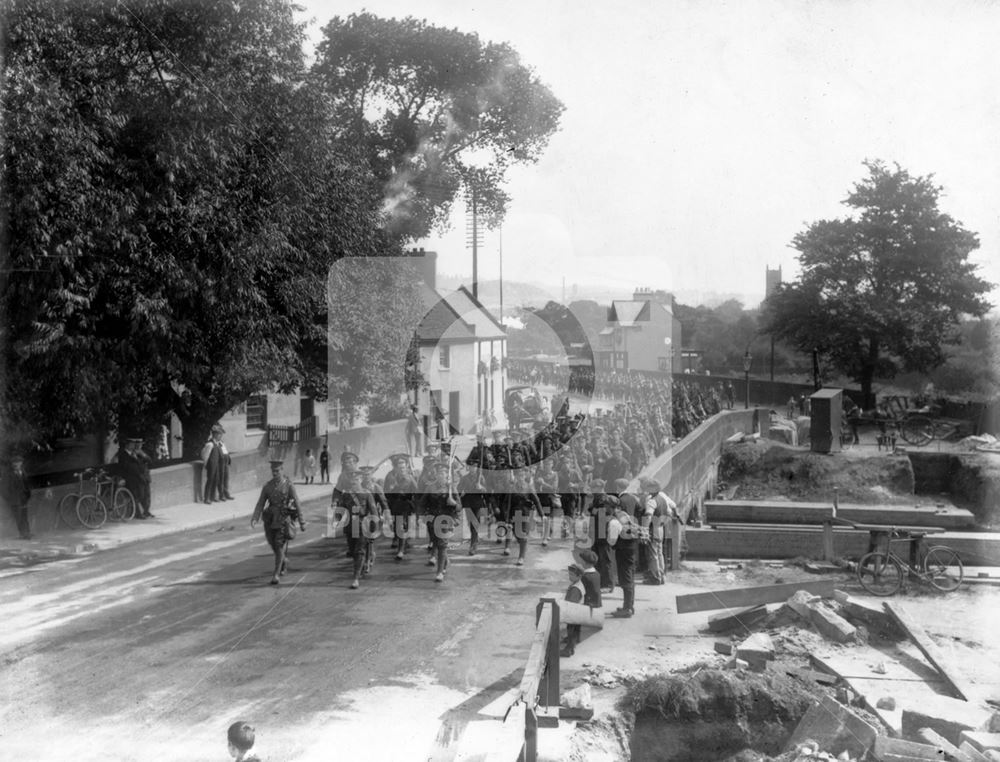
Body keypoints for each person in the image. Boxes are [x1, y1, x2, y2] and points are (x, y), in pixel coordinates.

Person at [251, 460, 306, 585]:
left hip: (282, 519)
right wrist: (255, 517)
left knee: (279, 544)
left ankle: (276, 574)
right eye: (273, 471)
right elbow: (260, 503)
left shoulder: (288, 485)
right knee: (272, 543)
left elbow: (297, 502)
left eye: (277, 471)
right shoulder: (267, 486)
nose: (275, 473)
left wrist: (302, 521)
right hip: (270, 520)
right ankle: (283, 560)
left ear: (282, 470)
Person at [336, 470, 380, 589]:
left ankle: (355, 578)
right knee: (352, 551)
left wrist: (374, 528)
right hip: (350, 527)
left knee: (359, 551)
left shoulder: (367, 494)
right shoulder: (346, 495)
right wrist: (338, 519)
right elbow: (340, 509)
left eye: (356, 480)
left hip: (363, 526)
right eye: (352, 481)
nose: (354, 483)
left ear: (360, 480)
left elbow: (374, 511)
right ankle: (360, 566)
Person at [425, 460, 460, 582]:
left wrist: (453, 503)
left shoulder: (451, 489)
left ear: (447, 476)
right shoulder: (430, 487)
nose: (441, 476)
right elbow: (423, 503)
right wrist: (422, 516)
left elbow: (459, 506)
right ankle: (444, 561)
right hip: (433, 520)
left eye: (443, 474)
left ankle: (439, 572)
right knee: (435, 542)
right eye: (439, 474)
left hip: (446, 520)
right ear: (436, 475)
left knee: (442, 545)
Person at [384, 454, 418, 560]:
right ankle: (400, 545)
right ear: (396, 468)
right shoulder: (391, 478)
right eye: (399, 467)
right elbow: (386, 492)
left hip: (406, 506)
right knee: (398, 526)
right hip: (395, 505)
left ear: (407, 466)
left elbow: (417, 492)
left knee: (403, 526)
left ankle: (401, 550)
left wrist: (416, 506)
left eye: (403, 466)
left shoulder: (410, 478)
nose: (401, 469)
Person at [118, 437, 154, 519]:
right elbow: (128, 467)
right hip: (133, 479)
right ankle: (138, 513)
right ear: (127, 445)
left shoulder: (139, 453)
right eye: (132, 444)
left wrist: (142, 455)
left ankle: (146, 511)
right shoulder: (123, 454)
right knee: (137, 496)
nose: (134, 446)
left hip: (143, 477)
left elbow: (149, 462)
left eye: (135, 444)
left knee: (146, 496)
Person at [2, 453, 32, 539]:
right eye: (14, 463)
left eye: (18, 462)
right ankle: (22, 534)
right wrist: (10, 499)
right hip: (15, 500)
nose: (16, 464)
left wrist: (28, 494)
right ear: (12, 464)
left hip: (23, 498)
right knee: (19, 517)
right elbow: (4, 489)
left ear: (21, 463)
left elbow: (26, 484)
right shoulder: (8, 474)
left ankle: (28, 533)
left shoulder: (23, 472)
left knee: (25, 516)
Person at [560, 564, 586, 657]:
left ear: (579, 576)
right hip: (579, 612)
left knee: (571, 631)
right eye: (569, 574)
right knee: (575, 630)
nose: (569, 576)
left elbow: (571, 603)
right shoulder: (578, 584)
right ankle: (573, 644)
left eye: (572, 575)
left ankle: (568, 649)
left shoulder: (575, 589)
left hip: (574, 613)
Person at [201, 425, 225, 503]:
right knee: (210, 480)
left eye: (221, 434)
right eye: (219, 434)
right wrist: (206, 464)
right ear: (214, 434)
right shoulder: (210, 444)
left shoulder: (218, 444)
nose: (220, 436)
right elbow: (205, 455)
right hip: (211, 465)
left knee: (216, 480)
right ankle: (206, 498)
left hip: (217, 465)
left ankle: (213, 496)